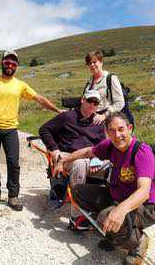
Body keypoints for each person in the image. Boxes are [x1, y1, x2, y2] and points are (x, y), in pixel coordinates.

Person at [54, 112, 155, 265]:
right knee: (78, 192)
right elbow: (88, 151)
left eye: (121, 129)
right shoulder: (111, 146)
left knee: (104, 218)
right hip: (116, 197)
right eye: (112, 131)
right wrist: (63, 160)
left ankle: (138, 241)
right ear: (107, 133)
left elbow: (143, 191)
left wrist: (120, 210)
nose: (117, 135)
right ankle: (114, 233)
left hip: (143, 206)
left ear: (130, 128)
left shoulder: (142, 151)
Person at [0, 50, 62, 211]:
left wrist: (57, 110)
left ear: (16, 66)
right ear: (2, 63)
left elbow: (40, 99)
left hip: (11, 129)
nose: (10, 65)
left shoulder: (20, 85)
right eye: (7, 62)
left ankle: (13, 196)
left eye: (13, 63)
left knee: (13, 163)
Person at [39, 89, 108, 230]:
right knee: (79, 164)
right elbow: (44, 130)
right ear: (83, 100)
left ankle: (109, 208)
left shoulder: (98, 122)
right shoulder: (67, 117)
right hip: (69, 157)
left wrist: (97, 160)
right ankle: (76, 216)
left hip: (92, 158)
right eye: (90, 101)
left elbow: (102, 145)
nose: (92, 105)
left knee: (114, 165)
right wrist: (54, 149)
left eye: (96, 103)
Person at [83, 51, 125, 125]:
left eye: (94, 62)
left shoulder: (110, 78)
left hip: (106, 120)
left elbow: (120, 103)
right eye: (89, 63)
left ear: (101, 62)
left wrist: (104, 115)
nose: (92, 65)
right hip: (91, 119)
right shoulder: (89, 82)